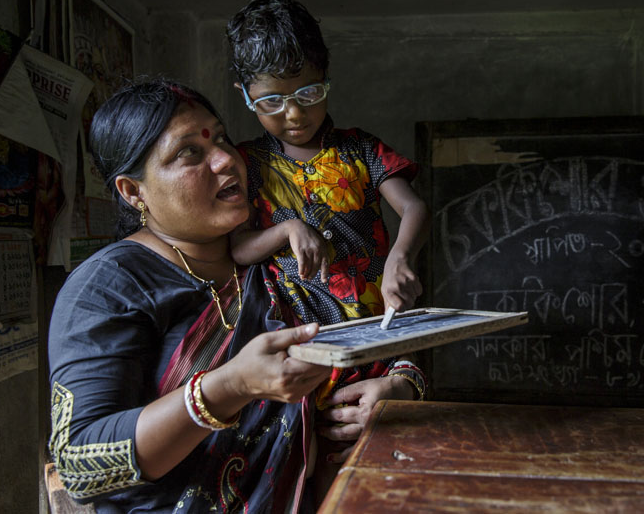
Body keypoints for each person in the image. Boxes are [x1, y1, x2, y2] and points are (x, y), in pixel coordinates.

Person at [46, 77, 403, 513]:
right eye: (189, 153)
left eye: (220, 138)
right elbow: (81, 465)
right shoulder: (108, 285)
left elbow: (359, 328)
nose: (226, 160)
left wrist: (401, 383)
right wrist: (230, 386)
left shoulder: (269, 261)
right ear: (133, 191)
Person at [225, 0, 430, 468]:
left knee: (381, 458)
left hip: (375, 333)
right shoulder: (248, 164)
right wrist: (286, 229)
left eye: (308, 94)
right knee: (305, 468)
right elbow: (237, 250)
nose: (294, 115)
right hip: (298, 354)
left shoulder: (361, 150)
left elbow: (414, 207)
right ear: (244, 94)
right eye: (271, 101)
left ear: (325, 79)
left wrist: (401, 256)